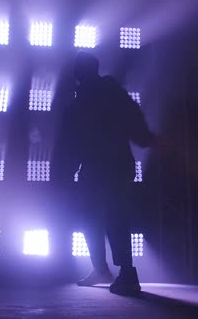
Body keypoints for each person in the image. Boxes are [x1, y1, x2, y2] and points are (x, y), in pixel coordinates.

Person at [54, 51, 157, 295]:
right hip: (104, 166)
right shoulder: (94, 96)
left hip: (109, 166)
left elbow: (72, 140)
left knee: (112, 216)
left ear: (79, 72)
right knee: (95, 217)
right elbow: (132, 115)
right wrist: (145, 138)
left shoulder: (93, 96)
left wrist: (65, 173)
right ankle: (103, 269)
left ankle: (127, 274)